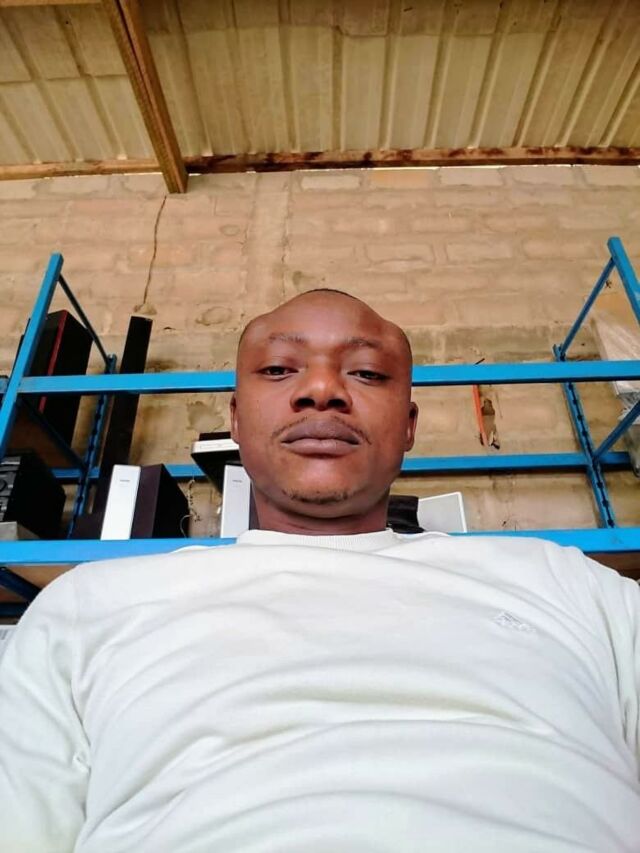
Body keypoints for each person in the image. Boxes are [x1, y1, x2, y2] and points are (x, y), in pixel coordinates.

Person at [0, 288, 639, 853]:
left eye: (367, 372)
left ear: (408, 425)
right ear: (235, 420)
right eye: (280, 368)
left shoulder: (567, 584)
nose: (322, 389)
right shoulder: (93, 605)